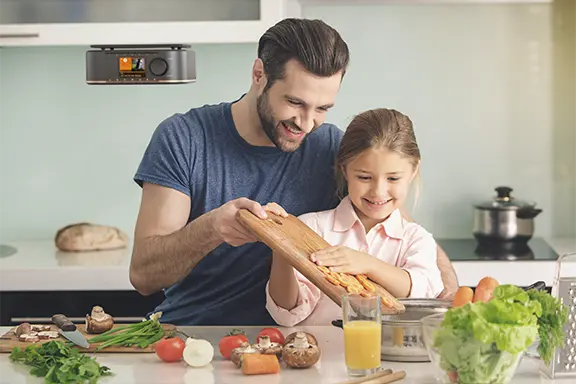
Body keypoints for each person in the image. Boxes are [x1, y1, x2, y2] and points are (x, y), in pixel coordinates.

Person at [129, 18, 459, 326]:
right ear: (259, 74)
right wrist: (213, 228)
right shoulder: (185, 138)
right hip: (194, 332)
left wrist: (445, 281)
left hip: (294, 343)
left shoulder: (328, 145)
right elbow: (144, 276)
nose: (306, 122)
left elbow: (391, 215)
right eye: (295, 103)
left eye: (323, 109)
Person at [265, 108, 444, 326]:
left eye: (393, 178)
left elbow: (425, 291)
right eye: (364, 177)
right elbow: (287, 313)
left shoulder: (416, 238)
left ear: (413, 170)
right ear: (345, 169)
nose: (378, 191)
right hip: (320, 355)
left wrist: (369, 265)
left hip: (387, 357)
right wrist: (281, 247)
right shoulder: (311, 228)